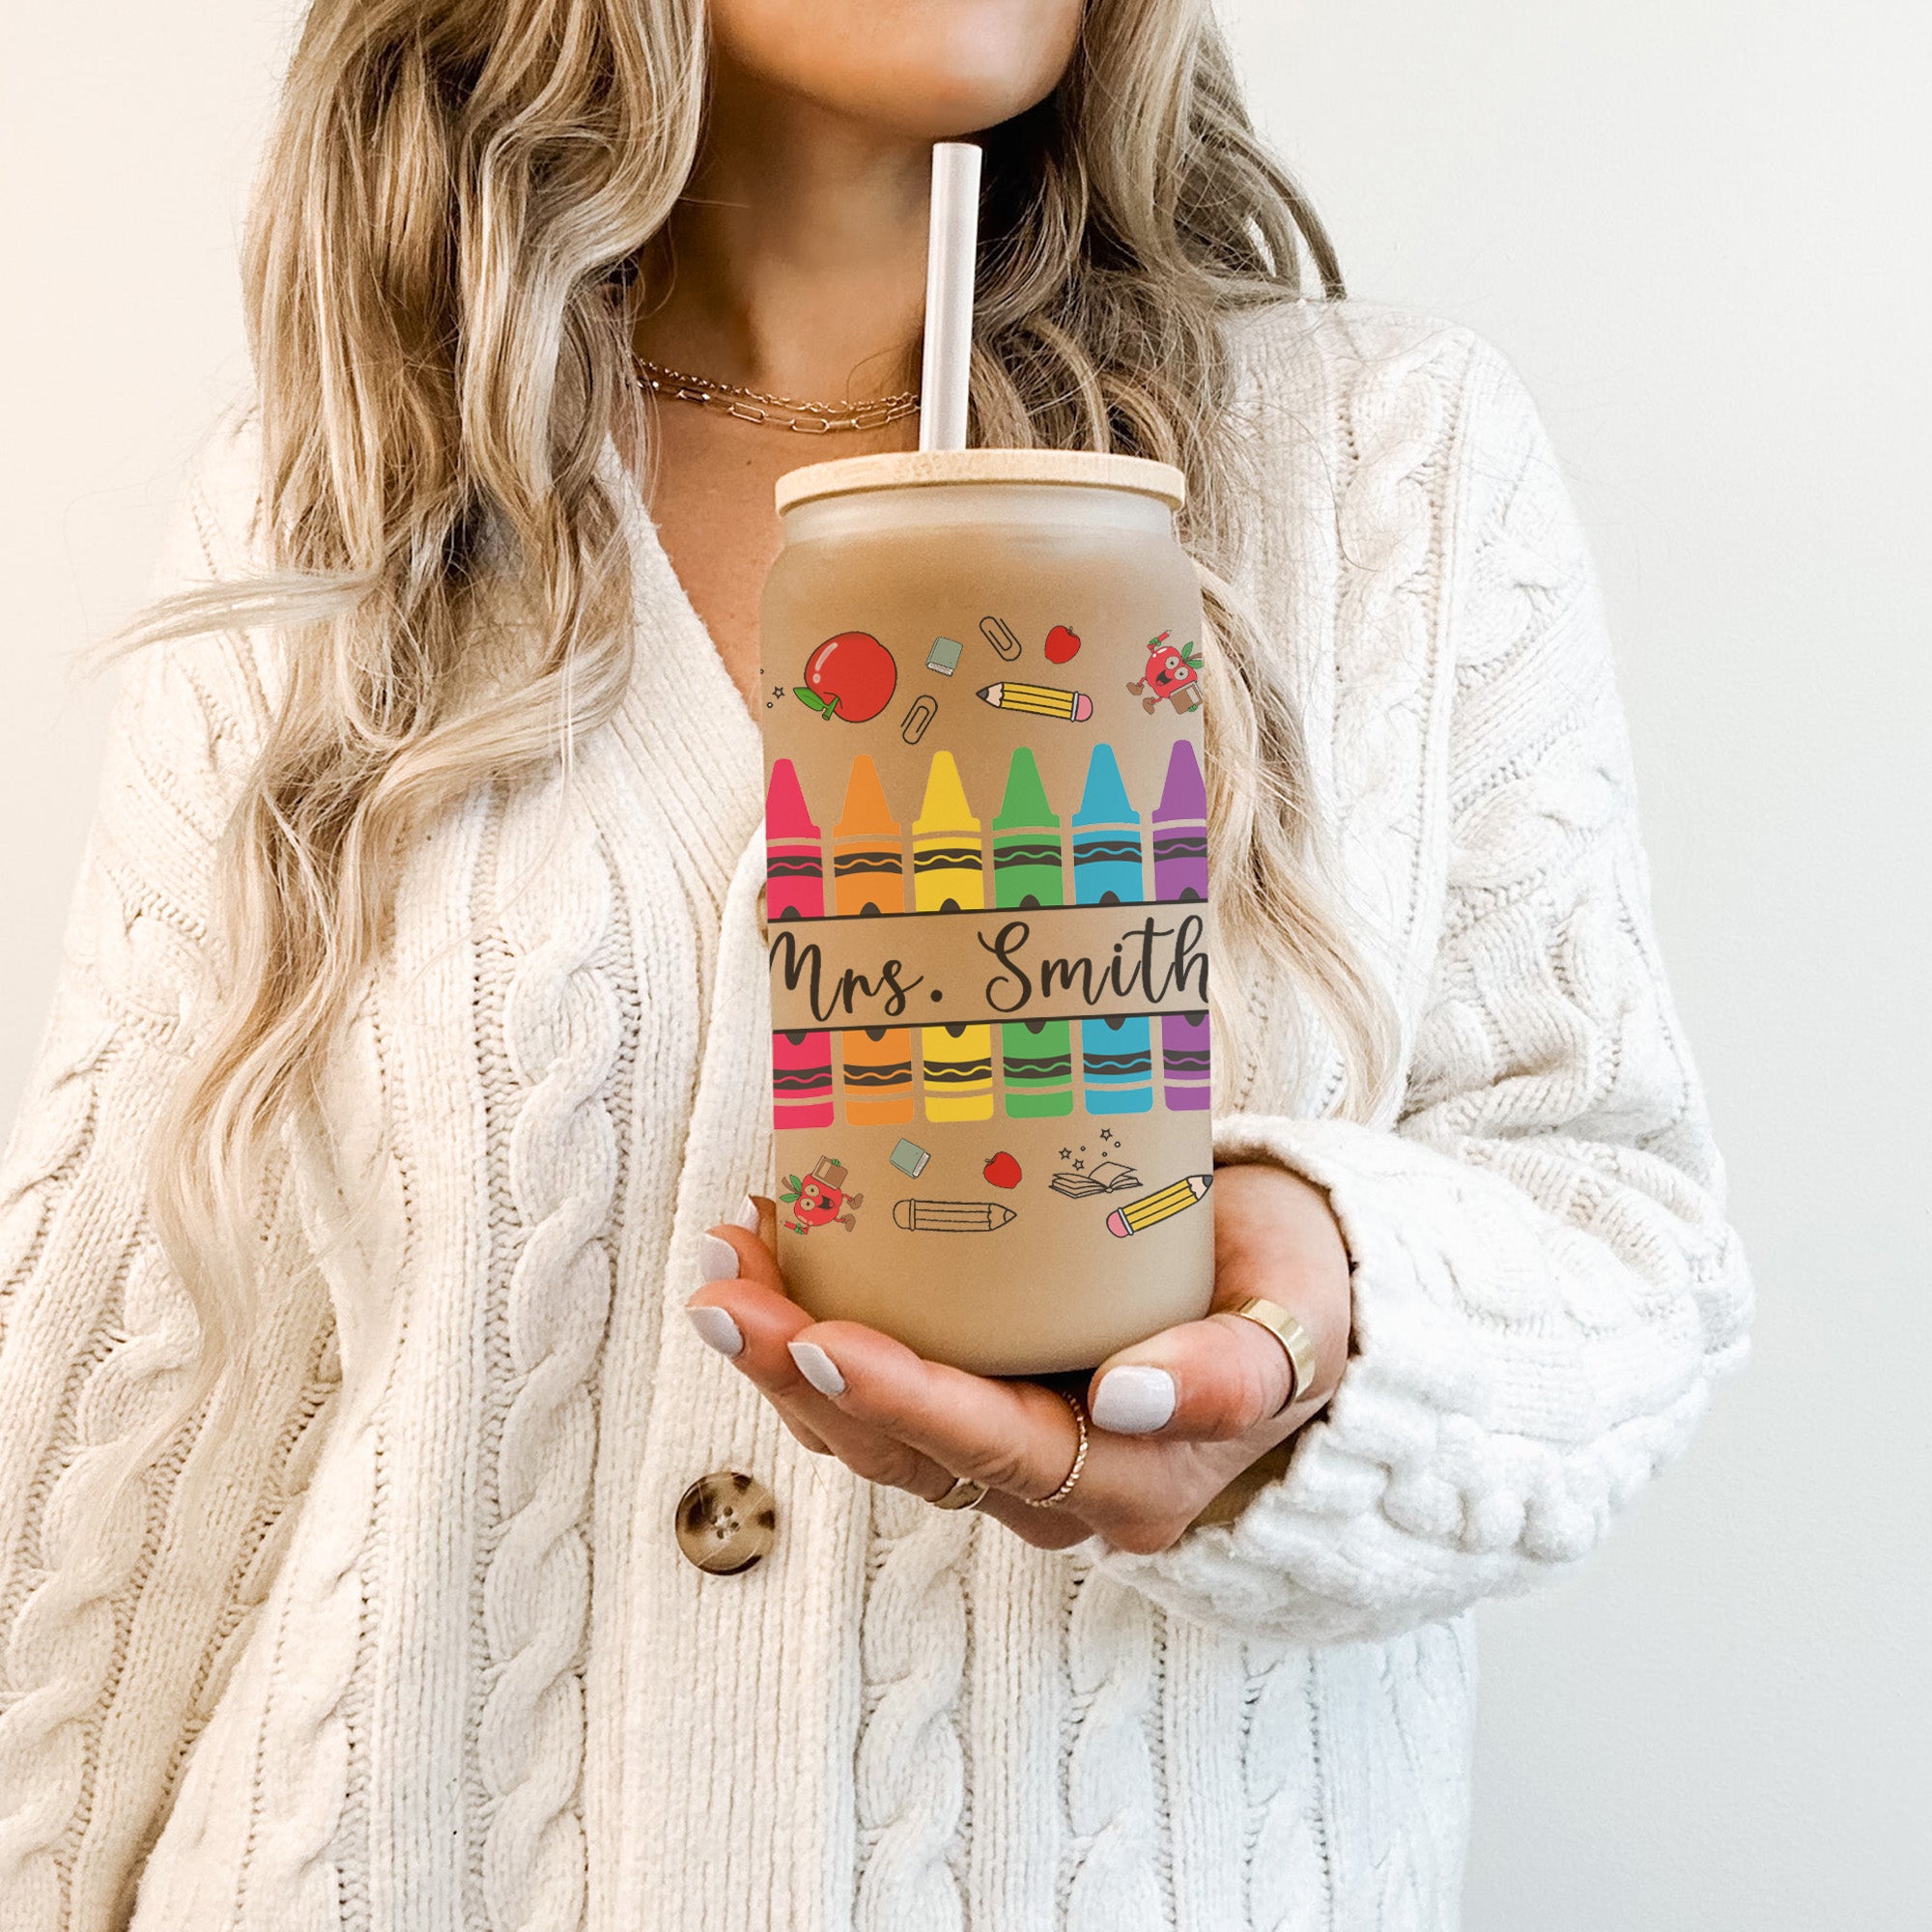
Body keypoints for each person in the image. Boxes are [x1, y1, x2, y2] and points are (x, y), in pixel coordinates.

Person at [0, 1, 1752, 1927]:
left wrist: (1325, 1303)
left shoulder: (1383, 464)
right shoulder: (353, 504)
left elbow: (1622, 1243)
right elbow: (133, 1381)